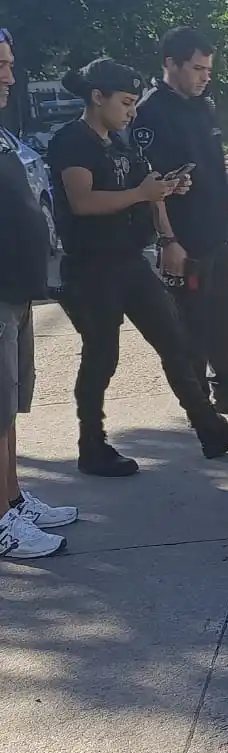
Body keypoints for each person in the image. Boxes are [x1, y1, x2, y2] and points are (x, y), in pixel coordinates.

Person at [47, 58, 228, 476]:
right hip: (91, 269)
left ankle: (210, 429)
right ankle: (92, 446)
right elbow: (83, 202)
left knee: (178, 344)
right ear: (98, 97)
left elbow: (146, 192)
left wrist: (165, 197)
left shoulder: (119, 141)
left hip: (130, 262)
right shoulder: (72, 142)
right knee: (101, 357)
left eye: (133, 104)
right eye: (125, 103)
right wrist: (140, 193)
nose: (131, 112)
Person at [132, 27, 228, 415]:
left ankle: (227, 387)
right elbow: (150, 186)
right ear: (170, 65)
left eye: (208, 69)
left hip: (214, 232)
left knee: (222, 316)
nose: (204, 76)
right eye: (197, 68)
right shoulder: (150, 115)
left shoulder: (203, 106)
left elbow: (211, 169)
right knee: (190, 326)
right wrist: (167, 241)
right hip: (183, 239)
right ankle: (199, 409)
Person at [0, 27, 79, 560]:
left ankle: (12, 498)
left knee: (6, 409)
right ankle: (2, 521)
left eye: (8, 64)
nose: (8, 76)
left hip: (16, 291)